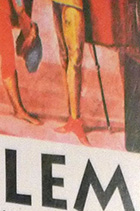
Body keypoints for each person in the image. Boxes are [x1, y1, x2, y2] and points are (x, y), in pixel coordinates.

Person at [53, 0, 88, 144]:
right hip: (58, 3)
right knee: (66, 57)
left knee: (74, 57)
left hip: (73, 4)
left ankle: (75, 119)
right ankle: (72, 118)